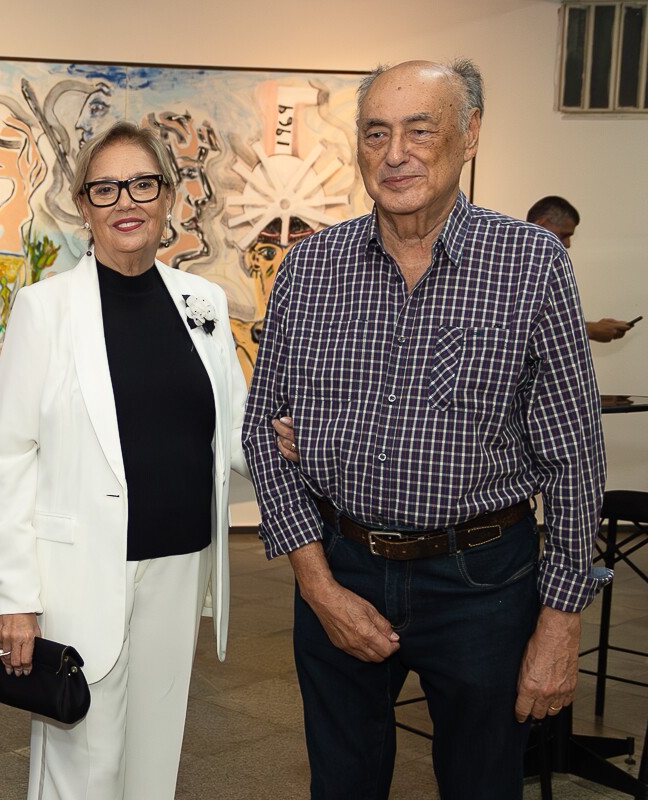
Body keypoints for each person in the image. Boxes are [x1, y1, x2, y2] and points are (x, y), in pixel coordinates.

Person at [242, 61, 607, 800]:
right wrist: (318, 586)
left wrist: (560, 624)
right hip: (341, 564)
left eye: (420, 129)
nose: (396, 152)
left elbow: (573, 458)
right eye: (377, 132)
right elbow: (261, 437)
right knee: (341, 785)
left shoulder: (531, 266)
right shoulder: (309, 270)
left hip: (483, 584)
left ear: (469, 134)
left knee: (481, 785)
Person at [0, 121, 249, 800]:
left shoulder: (204, 304)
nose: (125, 200)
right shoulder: (45, 310)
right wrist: (16, 599)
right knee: (83, 764)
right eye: (105, 189)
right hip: (79, 573)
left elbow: (237, 432)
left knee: (154, 757)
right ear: (83, 205)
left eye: (141, 183)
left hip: (179, 567)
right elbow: (8, 458)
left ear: (168, 196)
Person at [527, 195, 634, 342]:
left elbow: (550, 323)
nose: (568, 244)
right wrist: (588, 330)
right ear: (542, 225)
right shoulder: (508, 268)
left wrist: (591, 327)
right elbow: (521, 330)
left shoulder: (549, 270)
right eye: (564, 235)